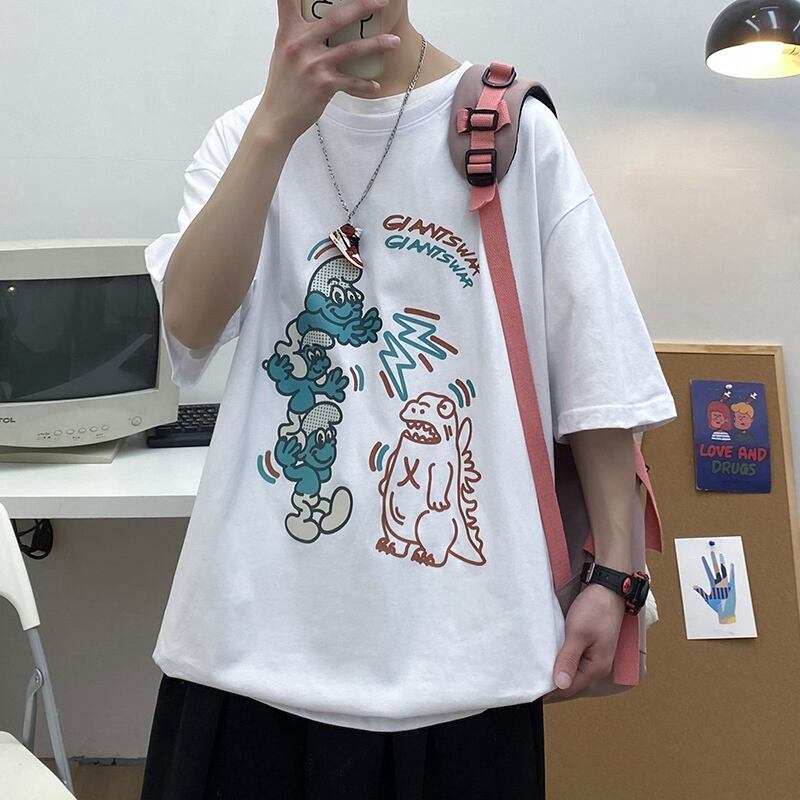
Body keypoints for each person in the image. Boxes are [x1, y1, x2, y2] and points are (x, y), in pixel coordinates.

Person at [140, 1, 677, 798]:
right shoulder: (242, 138)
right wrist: (274, 128)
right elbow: (188, 327)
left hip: (464, 664)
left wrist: (616, 576)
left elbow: (595, 370)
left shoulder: (512, 132)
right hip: (251, 651)